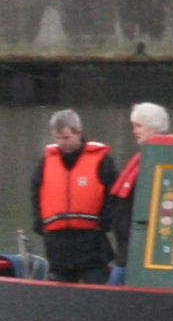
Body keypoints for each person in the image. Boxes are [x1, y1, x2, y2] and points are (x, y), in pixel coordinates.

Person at [28, 109, 118, 283]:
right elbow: (36, 193)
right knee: (62, 292)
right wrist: (39, 222)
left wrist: (105, 222)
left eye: (67, 138)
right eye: (58, 138)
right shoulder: (46, 162)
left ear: (79, 133)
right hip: (57, 242)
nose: (62, 143)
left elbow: (113, 194)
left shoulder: (102, 160)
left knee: (95, 287)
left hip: (91, 240)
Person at [105, 102, 171, 278]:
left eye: (138, 126)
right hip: (126, 248)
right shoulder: (144, 159)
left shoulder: (158, 163)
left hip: (136, 251)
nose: (134, 131)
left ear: (154, 127)